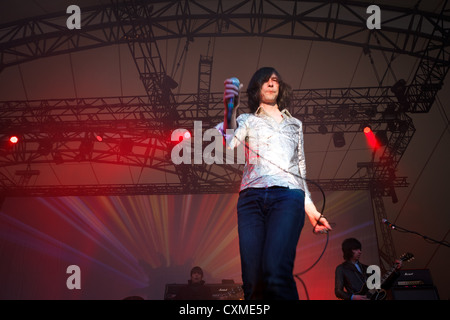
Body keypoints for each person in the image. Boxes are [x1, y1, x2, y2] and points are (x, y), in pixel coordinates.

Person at [217, 67, 332, 300]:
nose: (271, 83)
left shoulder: (295, 125)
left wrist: (311, 210)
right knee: (253, 281)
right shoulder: (246, 119)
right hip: (251, 198)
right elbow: (229, 143)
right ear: (257, 88)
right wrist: (230, 109)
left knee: (274, 269)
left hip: (287, 197)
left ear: (280, 88)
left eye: (275, 80)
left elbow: (299, 168)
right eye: (265, 80)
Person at [334, 238, 402, 300]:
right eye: (356, 249)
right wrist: (352, 297)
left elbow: (385, 286)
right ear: (348, 250)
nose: (360, 252)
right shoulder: (341, 269)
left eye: (360, 249)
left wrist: (396, 271)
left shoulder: (368, 268)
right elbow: (338, 291)